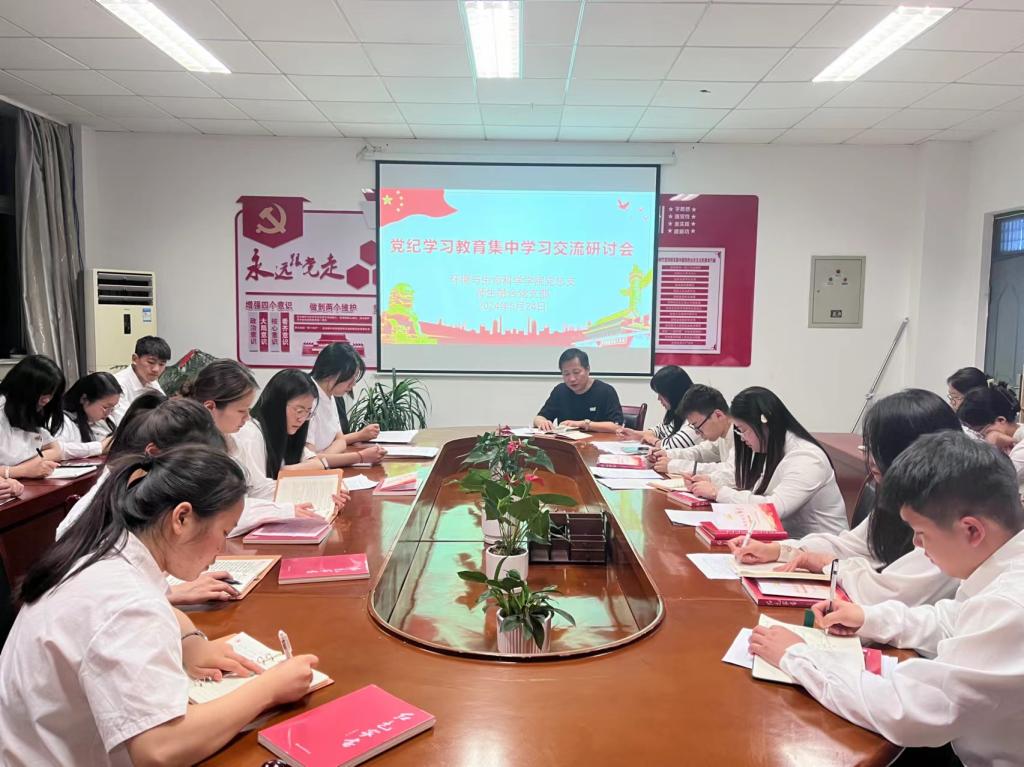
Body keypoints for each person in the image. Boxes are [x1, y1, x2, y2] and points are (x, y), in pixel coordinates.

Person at [0, 445, 320, 766]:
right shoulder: (127, 600)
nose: (222, 548)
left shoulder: (108, 553)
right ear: (181, 518)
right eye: (224, 531)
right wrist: (269, 689)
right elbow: (159, 750)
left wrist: (191, 642)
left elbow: (160, 607)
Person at [749, 431, 1024, 767]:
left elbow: (909, 711)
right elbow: (952, 621)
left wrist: (798, 657)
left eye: (921, 534)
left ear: (972, 530)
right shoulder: (1001, 567)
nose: (917, 545)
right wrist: (867, 618)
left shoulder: (1012, 604)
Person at [730, 389, 962, 606]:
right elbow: (850, 545)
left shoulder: (950, 519)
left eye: (879, 449)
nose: (870, 459)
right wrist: (780, 550)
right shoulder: (900, 498)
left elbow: (889, 592)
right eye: (868, 447)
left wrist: (828, 565)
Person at [179, 359, 348, 533]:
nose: (247, 417)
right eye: (241, 410)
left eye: (308, 412)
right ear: (210, 407)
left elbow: (257, 488)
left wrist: (323, 492)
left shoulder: (229, 438)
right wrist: (285, 510)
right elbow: (224, 512)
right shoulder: (199, 449)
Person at [687, 386, 847, 538]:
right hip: (788, 540)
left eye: (743, 430)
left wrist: (718, 492)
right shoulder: (774, 448)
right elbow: (756, 491)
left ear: (765, 424)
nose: (742, 438)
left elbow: (774, 508)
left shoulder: (806, 458)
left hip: (820, 549)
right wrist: (712, 482)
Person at [306, 344, 385, 466]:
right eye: (350, 379)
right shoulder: (308, 400)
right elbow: (309, 460)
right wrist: (360, 457)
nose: (353, 385)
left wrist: (324, 457)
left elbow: (341, 441)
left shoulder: (330, 395)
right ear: (330, 374)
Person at [238, 369, 325, 480]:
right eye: (299, 411)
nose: (302, 419)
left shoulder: (287, 430)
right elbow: (259, 487)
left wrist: (286, 471)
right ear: (277, 404)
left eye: (308, 412)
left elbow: (317, 464)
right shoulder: (252, 433)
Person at [650, 384, 733, 483]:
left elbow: (731, 473)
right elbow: (701, 452)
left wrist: (674, 465)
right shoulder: (721, 433)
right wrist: (668, 454)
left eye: (698, 426)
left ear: (718, 415)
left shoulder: (740, 434)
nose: (697, 433)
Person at [0, 354, 64, 480]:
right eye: (43, 393)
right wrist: (22, 470)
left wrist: (31, 466)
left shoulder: (28, 411)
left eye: (51, 394)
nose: (47, 400)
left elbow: (55, 450)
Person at [534, 348, 623, 433]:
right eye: (566, 374)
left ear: (587, 369)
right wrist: (542, 422)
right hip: (567, 442)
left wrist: (583, 424)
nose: (572, 379)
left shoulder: (606, 391)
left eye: (576, 372)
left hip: (597, 442)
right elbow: (539, 418)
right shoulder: (560, 391)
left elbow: (617, 427)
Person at [958, 382, 1024, 492]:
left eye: (980, 431)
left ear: (1001, 420)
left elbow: (990, 486)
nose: (981, 437)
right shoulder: (1014, 436)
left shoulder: (1021, 450)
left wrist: (990, 447)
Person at [617, 365, 698, 449]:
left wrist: (653, 440)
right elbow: (660, 430)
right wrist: (635, 434)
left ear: (673, 393)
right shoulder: (676, 412)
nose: (659, 398)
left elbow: (673, 446)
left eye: (661, 394)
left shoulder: (695, 416)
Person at [53, 372, 122, 459]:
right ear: (84, 399)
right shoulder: (62, 421)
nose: (109, 413)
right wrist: (100, 447)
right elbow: (57, 449)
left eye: (113, 407)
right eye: (105, 407)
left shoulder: (107, 419)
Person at [110, 335, 171, 424]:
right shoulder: (117, 384)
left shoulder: (152, 381)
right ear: (135, 359)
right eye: (151, 362)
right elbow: (124, 423)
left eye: (161, 364)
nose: (156, 369)